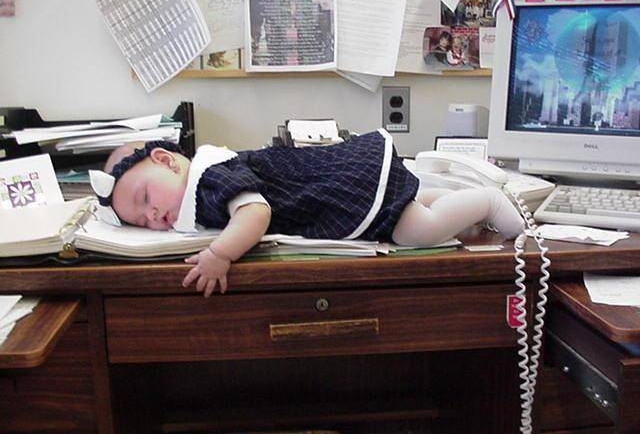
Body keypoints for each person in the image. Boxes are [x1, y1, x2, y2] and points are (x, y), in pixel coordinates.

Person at [90, 131, 524, 297]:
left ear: (167, 161)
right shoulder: (198, 192)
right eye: (141, 219)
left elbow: (254, 213)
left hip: (341, 184)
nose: (152, 214)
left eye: (146, 197)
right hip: (337, 191)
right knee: (402, 209)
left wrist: (220, 254)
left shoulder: (210, 177)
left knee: (415, 231)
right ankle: (454, 201)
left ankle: (487, 201)